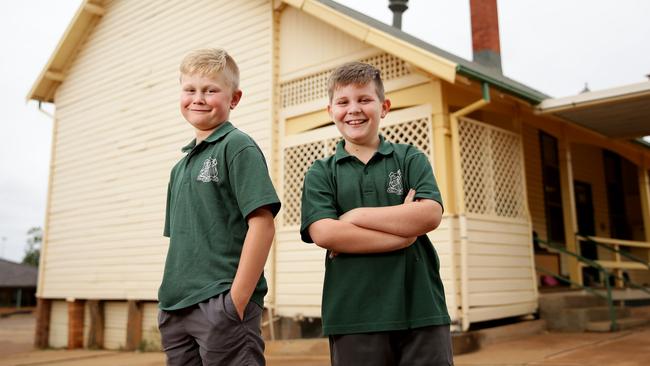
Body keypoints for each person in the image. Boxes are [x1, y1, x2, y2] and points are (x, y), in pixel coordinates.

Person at [300, 62, 453, 366]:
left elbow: (429, 215)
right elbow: (326, 233)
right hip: (353, 315)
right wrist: (402, 235)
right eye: (343, 102)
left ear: (384, 107)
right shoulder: (321, 172)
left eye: (364, 100)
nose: (353, 109)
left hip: (420, 309)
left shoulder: (410, 158)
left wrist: (354, 216)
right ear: (331, 110)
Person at [158, 48, 280, 366]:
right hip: (176, 308)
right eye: (190, 90)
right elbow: (183, 241)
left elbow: (263, 224)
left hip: (221, 303)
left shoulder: (237, 147)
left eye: (211, 90)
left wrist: (235, 302)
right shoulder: (179, 168)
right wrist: (167, 304)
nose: (198, 98)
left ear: (234, 98)